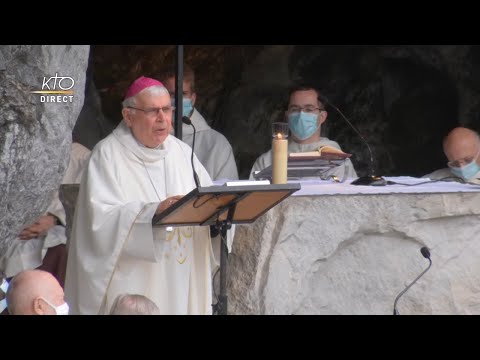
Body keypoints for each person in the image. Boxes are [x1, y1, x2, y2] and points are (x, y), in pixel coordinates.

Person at [64, 76, 216, 315]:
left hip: (179, 273)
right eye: (153, 111)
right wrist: (152, 212)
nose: (163, 118)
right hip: (135, 277)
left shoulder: (181, 152)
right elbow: (99, 223)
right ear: (128, 116)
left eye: (167, 109)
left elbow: (210, 199)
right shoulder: (107, 155)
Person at [0, 142, 90, 288]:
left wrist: (55, 218)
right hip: (16, 235)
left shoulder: (81, 157)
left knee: (61, 250)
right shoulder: (15, 148)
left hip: (55, 233)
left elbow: (84, 203)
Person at [250, 85, 357, 181]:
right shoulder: (266, 161)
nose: (301, 115)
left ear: (322, 117)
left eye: (309, 109)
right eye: (295, 109)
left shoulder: (337, 160)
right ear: (287, 116)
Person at [158, 65, 239, 181]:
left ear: (193, 98)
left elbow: (227, 194)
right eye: (171, 94)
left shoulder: (216, 144)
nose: (177, 100)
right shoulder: (150, 137)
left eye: (183, 94)